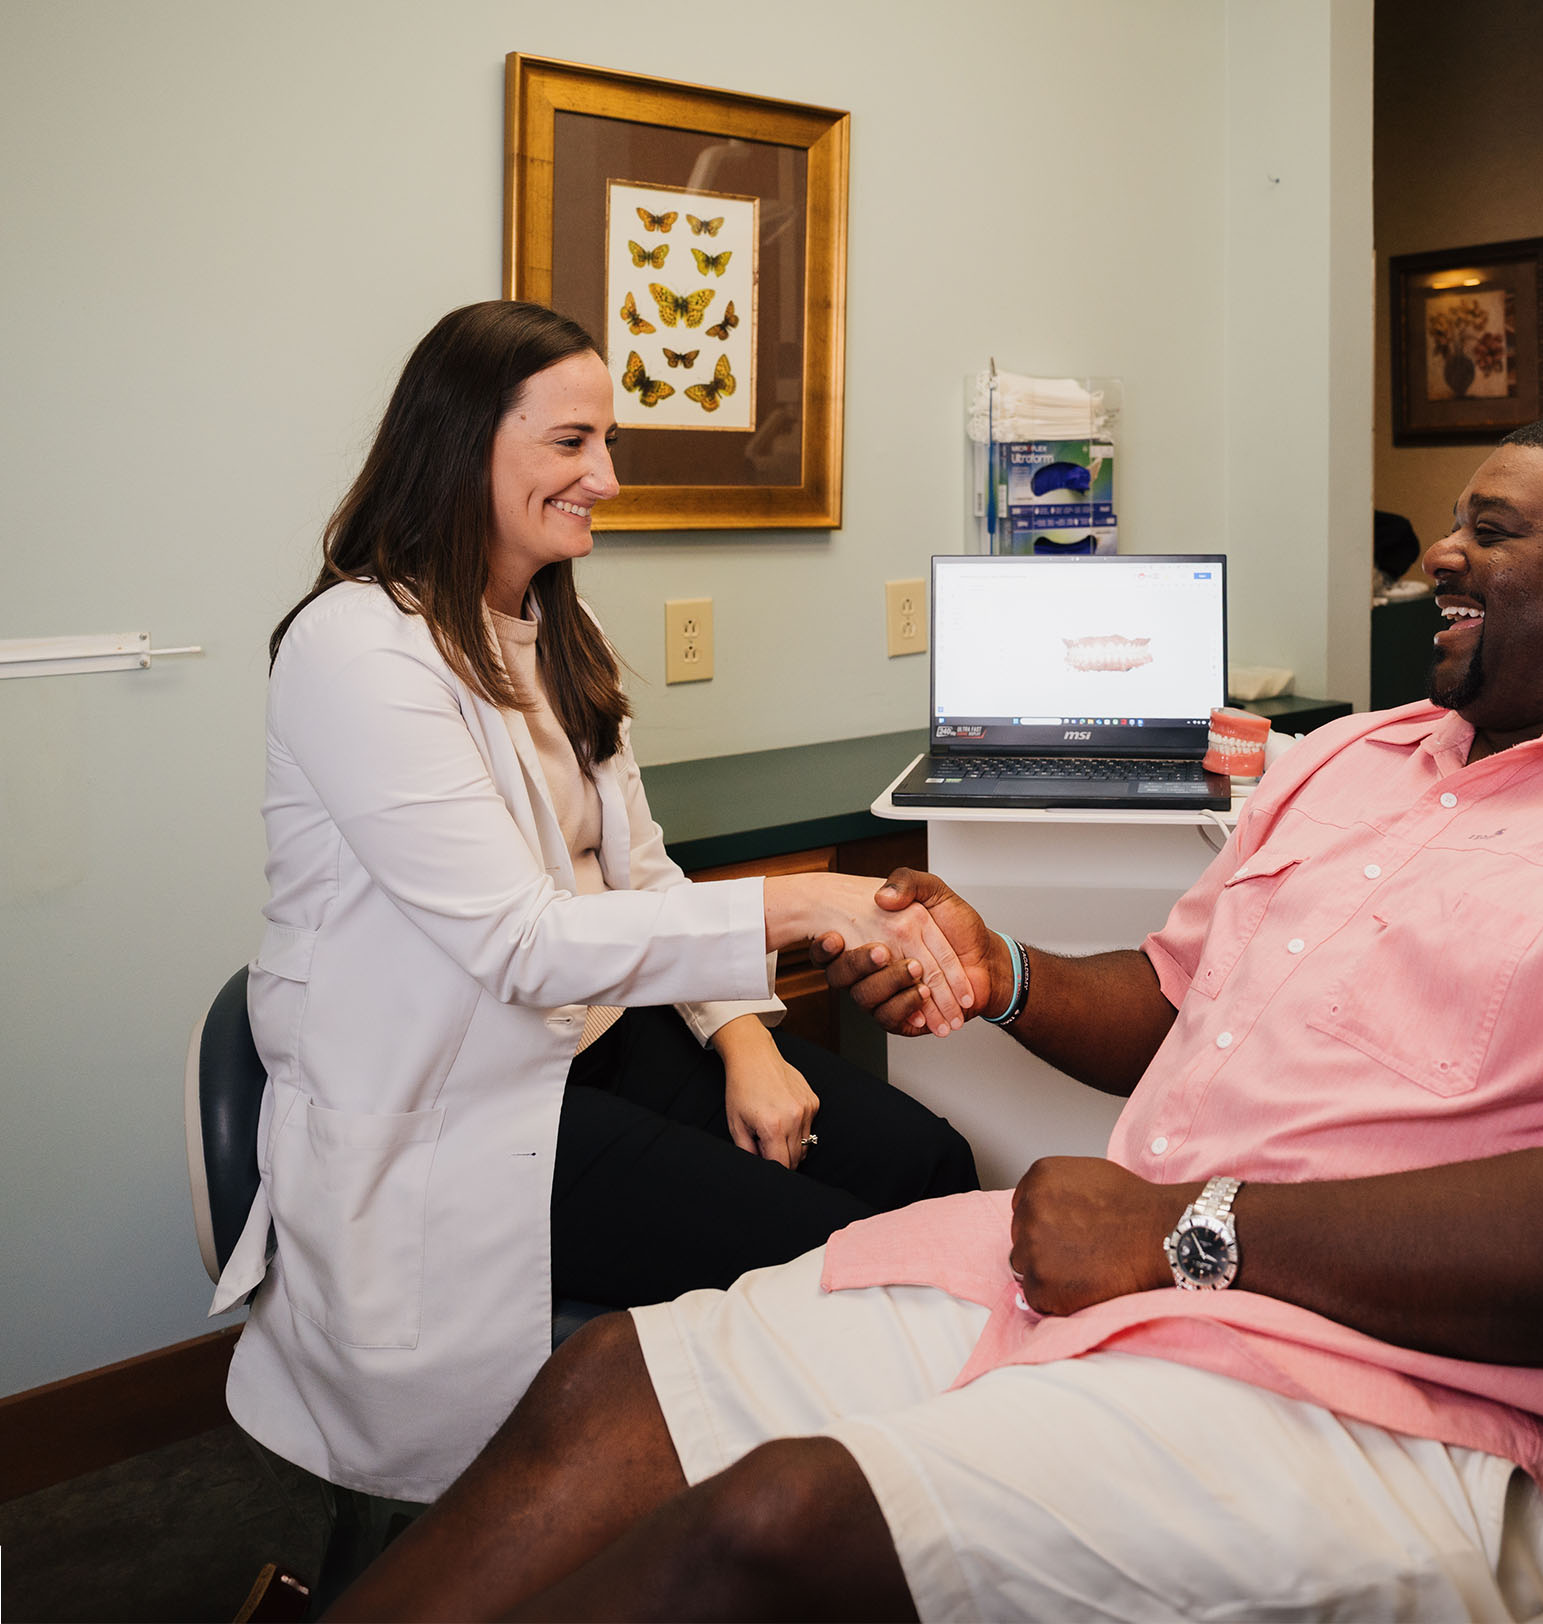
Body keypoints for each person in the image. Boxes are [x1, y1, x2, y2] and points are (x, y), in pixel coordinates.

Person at [326, 414, 1543, 1621]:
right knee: (611, 1383)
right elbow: (1182, 1002)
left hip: (1431, 1404)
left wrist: (1189, 1230)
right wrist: (1004, 961)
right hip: (1123, 1285)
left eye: (1492, 528)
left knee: (776, 1522)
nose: (1439, 555)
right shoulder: (1359, 763)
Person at [213, 300, 981, 1505]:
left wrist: (742, 1038)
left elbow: (641, 875)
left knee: (929, 1161)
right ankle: (801, 1533)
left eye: (607, 443)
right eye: (572, 443)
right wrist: (804, 903)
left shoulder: (554, 632)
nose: (607, 477)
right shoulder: (356, 651)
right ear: (465, 442)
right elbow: (521, 943)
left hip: (603, 1047)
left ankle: (937, 1499)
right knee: (838, 1264)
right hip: (462, 1108)